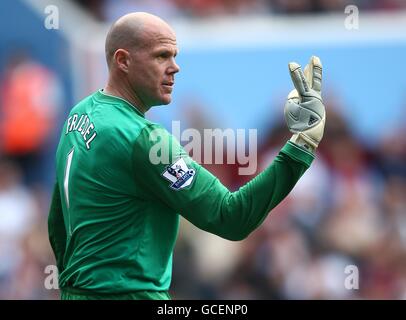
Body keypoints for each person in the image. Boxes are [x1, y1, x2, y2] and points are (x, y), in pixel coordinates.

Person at [48, 12, 326, 300]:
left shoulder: (78, 114)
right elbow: (231, 216)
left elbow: (58, 220)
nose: (175, 68)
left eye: (174, 56)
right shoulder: (145, 139)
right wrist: (301, 146)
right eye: (161, 56)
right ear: (123, 61)